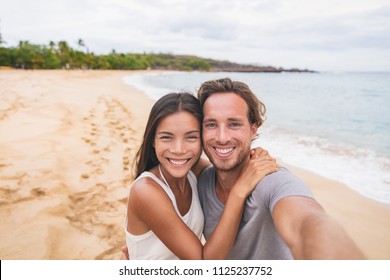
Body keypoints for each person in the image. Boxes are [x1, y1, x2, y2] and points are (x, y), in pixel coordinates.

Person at [196, 77, 365, 259]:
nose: (222, 137)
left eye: (234, 124)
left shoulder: (273, 181)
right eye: (211, 124)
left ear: (254, 130)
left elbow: (306, 223)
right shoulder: (201, 178)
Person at [124, 92, 279, 260]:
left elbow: (227, 169)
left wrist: (255, 156)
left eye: (191, 137)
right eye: (166, 137)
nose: (179, 150)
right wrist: (238, 193)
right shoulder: (146, 191)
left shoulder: (194, 170)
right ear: (153, 140)